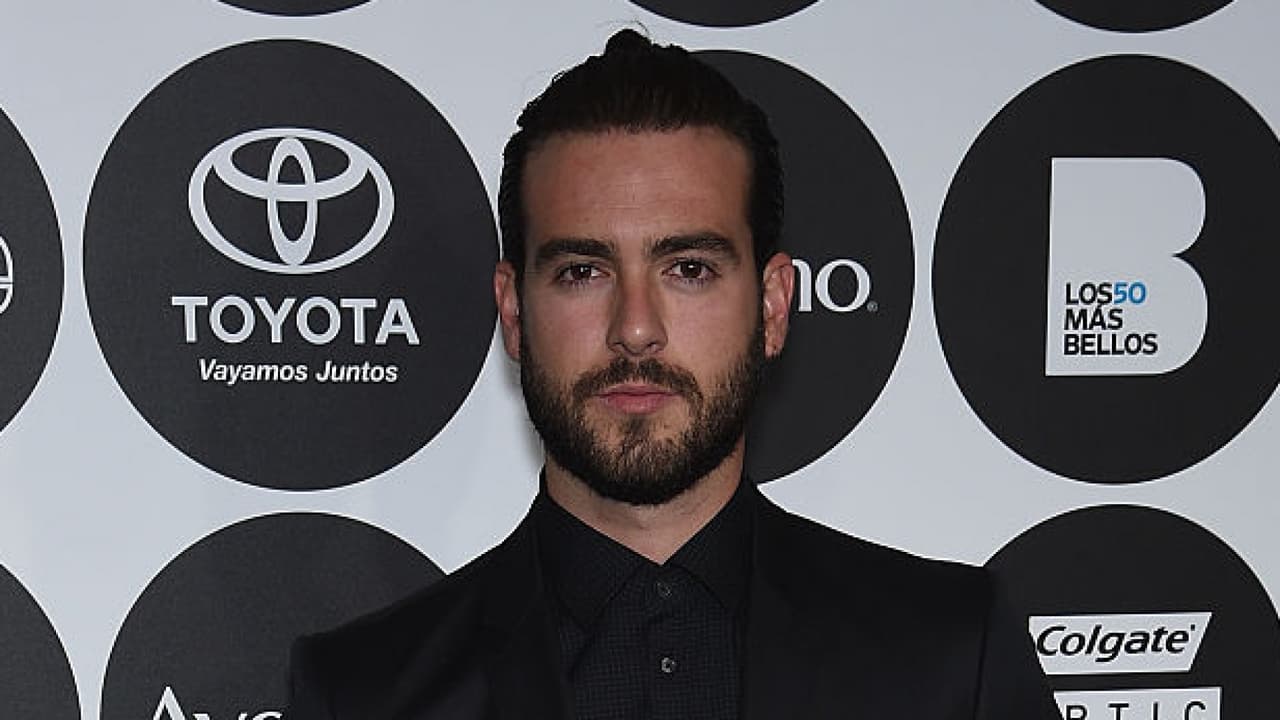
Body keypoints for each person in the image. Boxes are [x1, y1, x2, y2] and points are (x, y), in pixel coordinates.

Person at [284, 29, 1059, 720]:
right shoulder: (363, 694)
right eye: (582, 271)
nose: (635, 327)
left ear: (773, 306)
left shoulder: (953, 659)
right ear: (514, 312)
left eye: (689, 268)